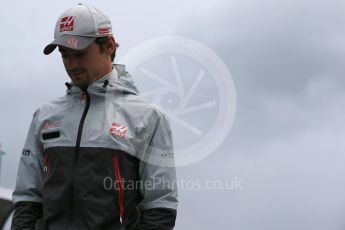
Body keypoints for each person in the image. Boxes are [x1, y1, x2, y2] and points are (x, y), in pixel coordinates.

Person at [11, 3, 178, 230]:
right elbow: (27, 199)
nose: (72, 65)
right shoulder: (45, 115)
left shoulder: (148, 118)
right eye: (64, 55)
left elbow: (160, 206)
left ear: (108, 45)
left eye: (80, 54)